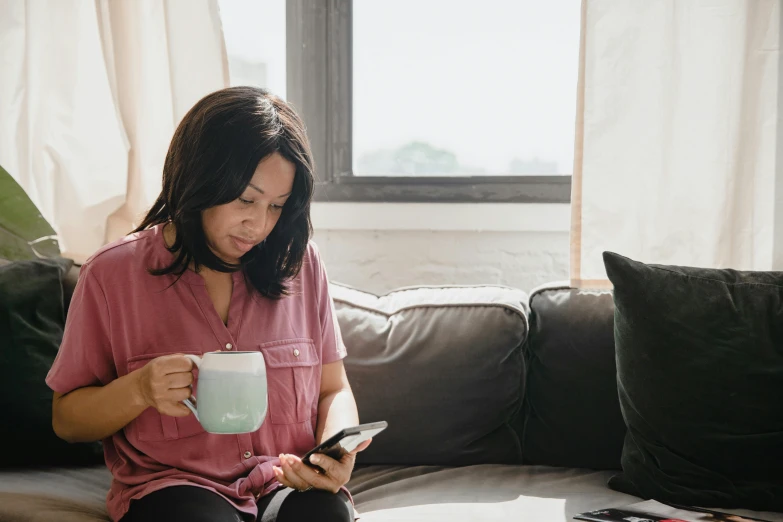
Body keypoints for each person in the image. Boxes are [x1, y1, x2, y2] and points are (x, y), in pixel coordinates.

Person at [46, 87, 370, 522]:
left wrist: (333, 450)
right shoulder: (111, 275)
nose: (259, 225)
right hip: (175, 488)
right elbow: (67, 420)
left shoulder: (300, 263)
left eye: (277, 206)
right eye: (246, 200)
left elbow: (334, 388)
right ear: (200, 181)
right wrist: (140, 390)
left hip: (286, 483)